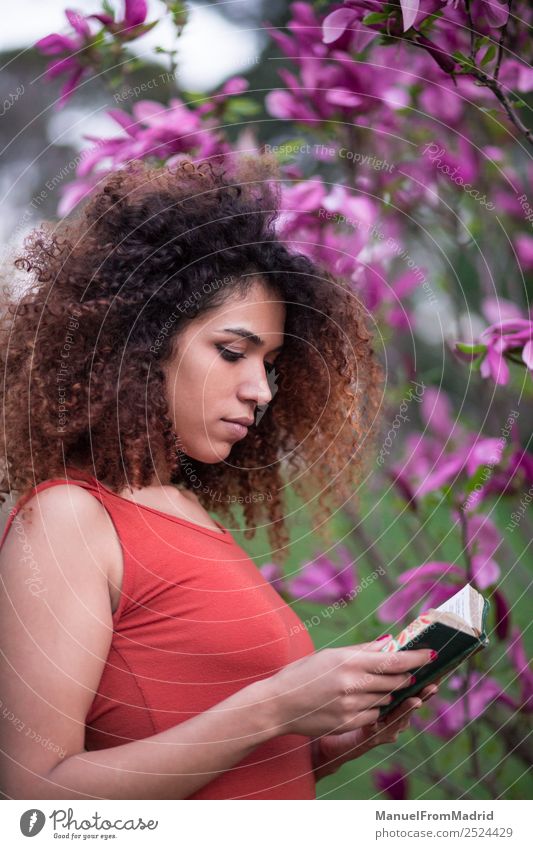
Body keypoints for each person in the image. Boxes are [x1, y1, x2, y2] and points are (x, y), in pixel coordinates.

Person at [0, 156, 439, 800]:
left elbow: (223, 772)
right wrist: (274, 707)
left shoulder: (187, 513)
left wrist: (331, 742)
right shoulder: (67, 521)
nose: (260, 389)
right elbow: (31, 800)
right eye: (233, 352)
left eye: (271, 363)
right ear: (141, 342)